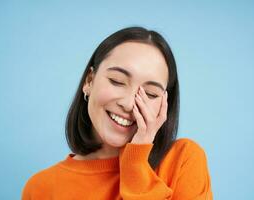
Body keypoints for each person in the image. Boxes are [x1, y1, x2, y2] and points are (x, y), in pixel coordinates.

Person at [22, 26, 213, 200]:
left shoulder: (183, 160)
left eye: (150, 94)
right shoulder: (41, 188)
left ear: (164, 104)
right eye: (117, 81)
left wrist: (135, 162)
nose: (130, 104)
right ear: (89, 81)